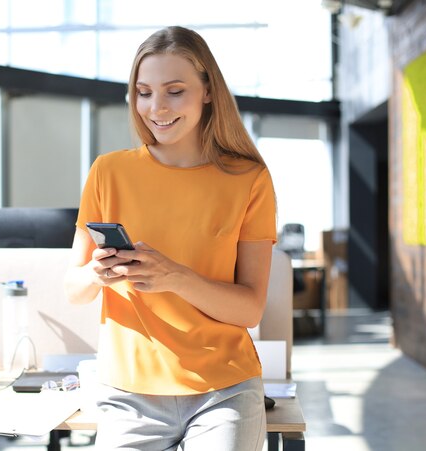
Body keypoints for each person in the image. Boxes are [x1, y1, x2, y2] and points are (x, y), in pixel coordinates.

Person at [65, 25, 277, 451]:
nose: (156, 107)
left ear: (208, 91)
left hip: (224, 389)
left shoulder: (249, 179)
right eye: (144, 92)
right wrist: (95, 274)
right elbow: (74, 290)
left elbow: (250, 308)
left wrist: (176, 277)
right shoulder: (108, 172)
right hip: (128, 391)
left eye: (175, 91)